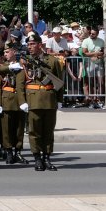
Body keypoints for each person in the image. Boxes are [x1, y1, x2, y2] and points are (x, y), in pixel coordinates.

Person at [23, 33, 66, 171]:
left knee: (48, 131)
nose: (30, 47)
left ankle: (47, 157)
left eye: (33, 44)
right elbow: (21, 83)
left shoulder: (52, 61)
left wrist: (59, 100)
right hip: (33, 100)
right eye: (28, 45)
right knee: (34, 131)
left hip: (49, 99)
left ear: (40, 45)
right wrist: (22, 101)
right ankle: (37, 158)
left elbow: (59, 82)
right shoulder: (25, 61)